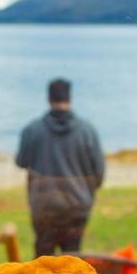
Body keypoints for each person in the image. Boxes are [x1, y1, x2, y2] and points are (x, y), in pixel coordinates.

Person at [15, 78, 105, 257]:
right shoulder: (87, 131)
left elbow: (21, 161)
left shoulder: (32, 130)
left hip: (43, 206)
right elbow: (99, 173)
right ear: (70, 99)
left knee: (43, 261)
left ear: (49, 99)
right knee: (73, 257)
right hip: (78, 206)